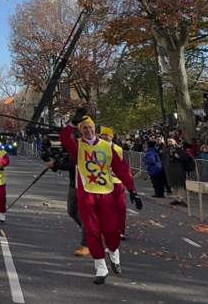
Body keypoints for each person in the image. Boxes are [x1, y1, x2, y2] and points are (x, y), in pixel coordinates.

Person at [60, 108, 140, 285]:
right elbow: (64, 139)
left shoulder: (108, 147)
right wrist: (72, 122)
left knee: (111, 231)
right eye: (84, 128)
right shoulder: (78, 145)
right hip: (87, 194)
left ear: (94, 128)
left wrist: (132, 190)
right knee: (92, 231)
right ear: (80, 131)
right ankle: (100, 266)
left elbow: (121, 169)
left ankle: (113, 252)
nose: (87, 131)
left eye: (90, 127)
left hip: (106, 194)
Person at [99, 127, 129, 241]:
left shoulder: (118, 149)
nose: (105, 137)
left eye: (107, 135)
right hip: (101, 183)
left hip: (116, 182)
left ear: (112, 136)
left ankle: (120, 231)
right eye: (103, 135)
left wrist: (127, 181)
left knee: (120, 207)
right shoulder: (97, 148)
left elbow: (124, 166)